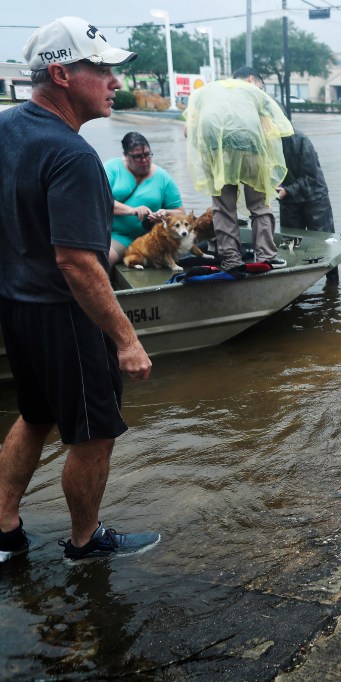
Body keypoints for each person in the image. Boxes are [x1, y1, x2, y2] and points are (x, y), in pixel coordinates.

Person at [0, 16, 158, 563]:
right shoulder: (73, 155)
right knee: (94, 435)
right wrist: (126, 340)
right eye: (103, 69)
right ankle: (86, 541)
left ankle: (4, 529)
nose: (115, 81)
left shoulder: (7, 127)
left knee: (36, 415)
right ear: (62, 74)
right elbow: (77, 261)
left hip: (17, 307)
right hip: (66, 316)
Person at [184, 66, 293, 278]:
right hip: (249, 144)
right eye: (261, 84)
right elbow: (272, 129)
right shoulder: (253, 92)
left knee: (223, 206)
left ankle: (231, 259)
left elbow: (188, 131)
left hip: (215, 145)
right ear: (252, 79)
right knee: (259, 204)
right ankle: (266, 257)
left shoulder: (206, 91)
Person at [106, 131, 183, 265]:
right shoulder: (112, 168)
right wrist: (133, 210)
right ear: (125, 156)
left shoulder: (163, 178)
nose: (144, 160)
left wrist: (166, 213)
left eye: (147, 154)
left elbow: (181, 213)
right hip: (118, 236)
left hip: (150, 238)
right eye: (138, 157)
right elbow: (99, 202)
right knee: (103, 259)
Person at [278, 130, 339, 283]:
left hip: (315, 198)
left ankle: (332, 286)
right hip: (288, 200)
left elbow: (310, 177)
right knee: (290, 247)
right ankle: (293, 289)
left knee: (325, 246)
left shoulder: (301, 140)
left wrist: (288, 190)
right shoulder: (265, 144)